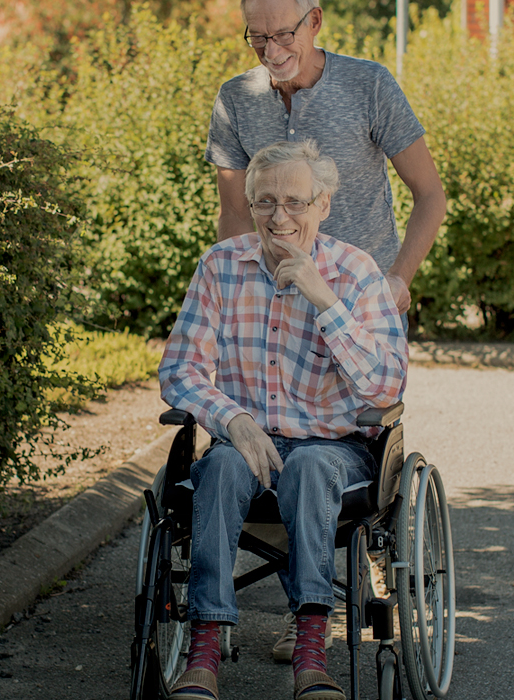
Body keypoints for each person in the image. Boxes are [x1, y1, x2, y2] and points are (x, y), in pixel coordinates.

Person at [159, 140, 407, 700]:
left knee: (312, 467)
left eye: (295, 201)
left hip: (334, 449)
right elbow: (180, 370)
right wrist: (235, 420)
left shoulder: (356, 273)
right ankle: (203, 652)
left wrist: (326, 303)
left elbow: (387, 386)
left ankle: (312, 652)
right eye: (266, 201)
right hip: (248, 442)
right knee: (219, 466)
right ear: (249, 205)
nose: (280, 216)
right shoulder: (221, 267)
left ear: (322, 205)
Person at [206, 0, 447, 315]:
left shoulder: (369, 84)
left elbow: (430, 195)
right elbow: (235, 214)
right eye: (258, 38)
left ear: (315, 21)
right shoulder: (235, 98)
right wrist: (240, 293)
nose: (271, 52)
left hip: (363, 302)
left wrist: (399, 279)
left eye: (284, 35)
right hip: (275, 308)